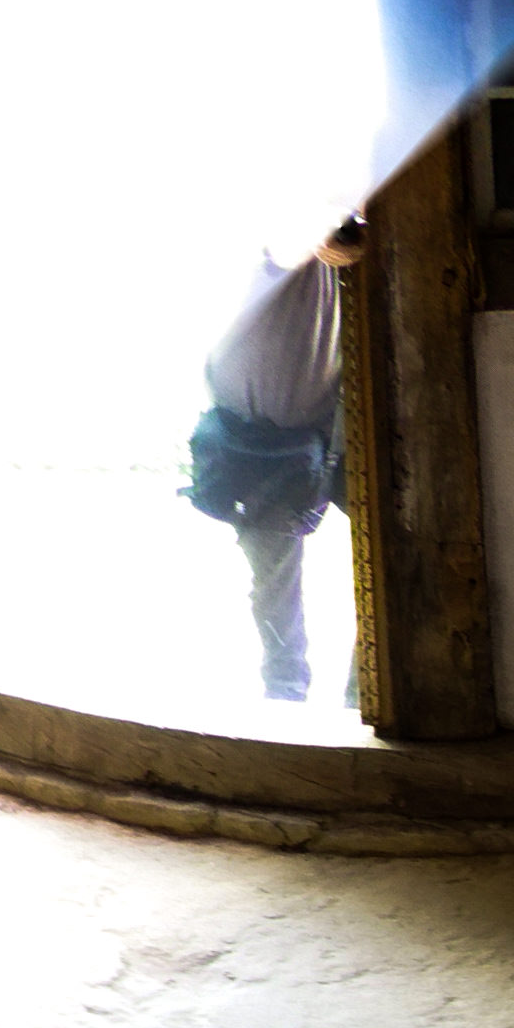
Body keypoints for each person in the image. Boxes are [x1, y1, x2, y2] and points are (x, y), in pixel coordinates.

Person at [183, 229, 356, 702]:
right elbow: (303, 238)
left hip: (331, 426)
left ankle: (364, 694)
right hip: (257, 441)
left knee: (396, 550)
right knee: (275, 580)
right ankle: (285, 697)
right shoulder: (284, 233)